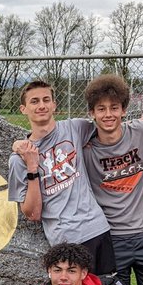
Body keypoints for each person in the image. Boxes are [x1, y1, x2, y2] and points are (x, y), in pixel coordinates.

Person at [80, 74, 143, 285]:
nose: (108, 114)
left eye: (114, 108)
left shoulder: (142, 131)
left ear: (124, 110)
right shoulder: (85, 147)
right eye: (101, 109)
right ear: (92, 113)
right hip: (111, 238)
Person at [7, 80, 115, 275]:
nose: (41, 105)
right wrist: (32, 168)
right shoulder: (18, 159)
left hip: (96, 228)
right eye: (34, 101)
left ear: (54, 105)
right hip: (64, 239)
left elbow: (112, 127)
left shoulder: (75, 128)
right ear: (23, 109)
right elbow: (33, 214)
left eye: (46, 100)